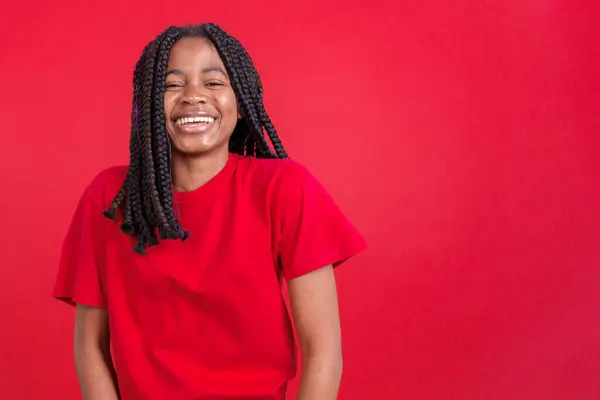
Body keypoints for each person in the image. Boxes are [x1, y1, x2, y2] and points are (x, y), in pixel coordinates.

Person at [53, 23, 366, 400]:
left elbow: (324, 352)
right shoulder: (110, 198)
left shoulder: (285, 188)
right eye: (171, 85)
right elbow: (91, 348)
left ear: (242, 101)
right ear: (148, 104)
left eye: (214, 82)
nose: (193, 97)